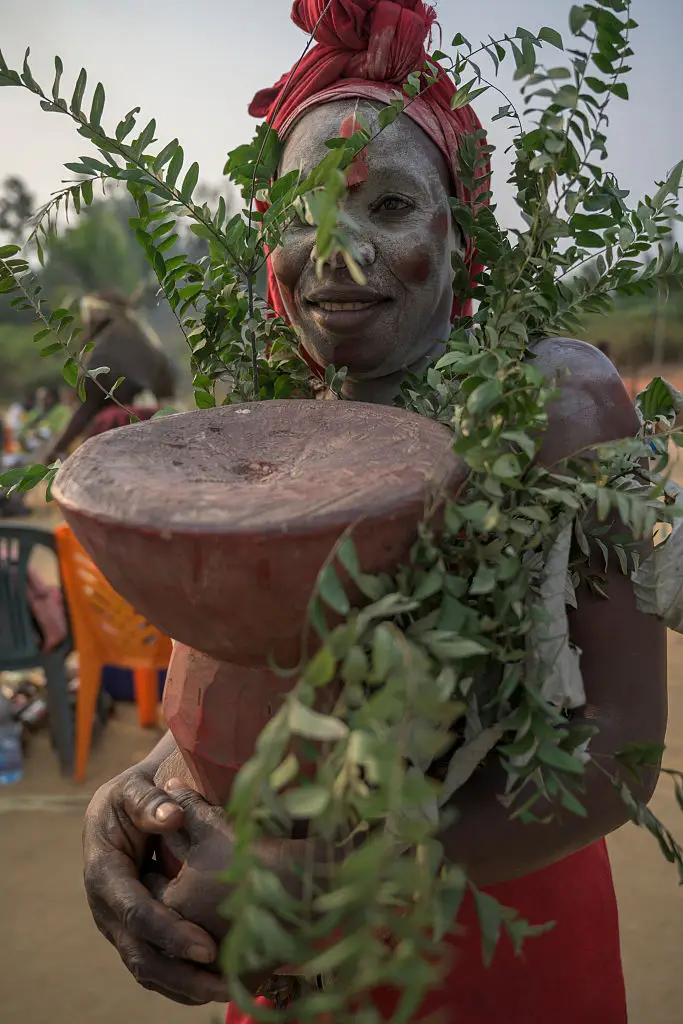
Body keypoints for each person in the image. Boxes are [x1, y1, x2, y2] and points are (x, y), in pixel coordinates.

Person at [81, 3, 666, 1022]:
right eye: (300, 213)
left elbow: (614, 750)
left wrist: (339, 883)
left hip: (495, 946)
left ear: (460, 229)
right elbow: (218, 704)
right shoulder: (252, 420)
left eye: (388, 204)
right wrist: (129, 807)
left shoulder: (552, 401)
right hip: (284, 966)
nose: (335, 247)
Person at [42, 290, 176, 463]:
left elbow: (87, 406)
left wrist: (56, 449)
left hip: (119, 429)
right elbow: (167, 388)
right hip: (157, 426)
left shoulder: (104, 347)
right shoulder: (146, 338)